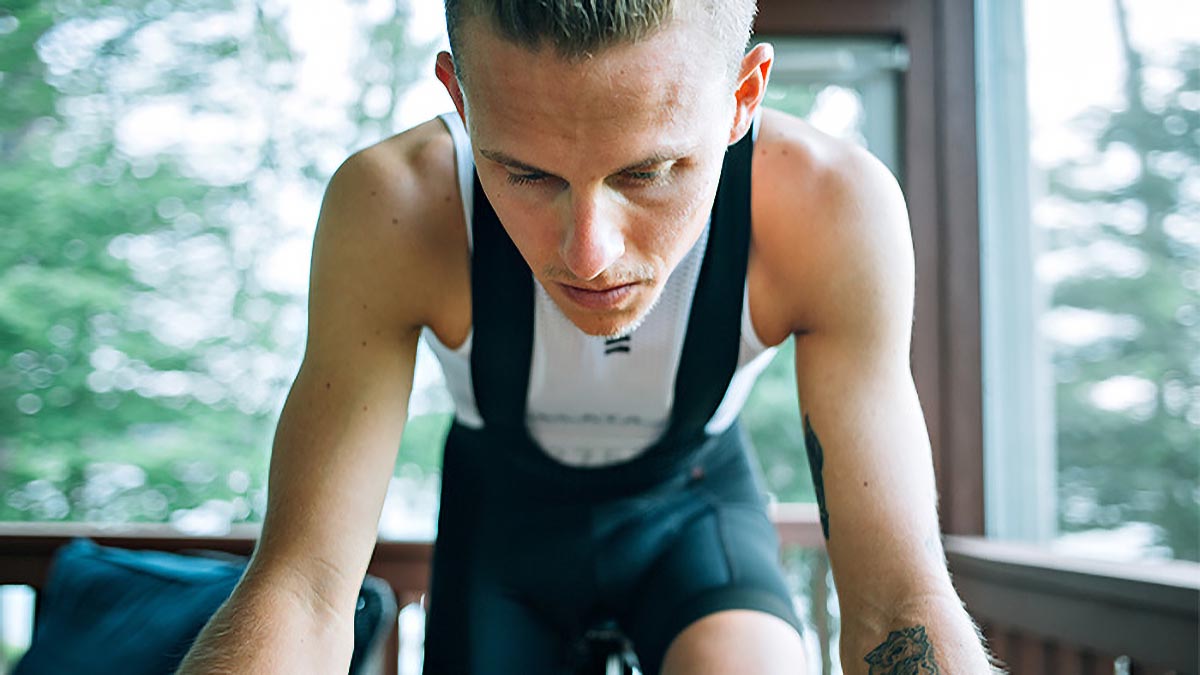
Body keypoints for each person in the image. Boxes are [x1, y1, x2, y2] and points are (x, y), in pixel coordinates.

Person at [179, 1, 1002, 673]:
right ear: (460, 101)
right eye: (526, 173)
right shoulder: (394, 204)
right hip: (501, 519)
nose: (589, 255)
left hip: (695, 504)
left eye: (647, 173)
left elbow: (897, 604)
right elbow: (306, 587)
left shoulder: (831, 206)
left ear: (743, 99)